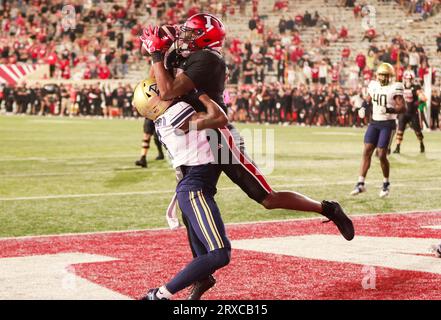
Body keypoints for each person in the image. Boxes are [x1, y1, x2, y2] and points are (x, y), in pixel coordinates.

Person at [141, 14, 354, 299]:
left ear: (205, 39)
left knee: (265, 197)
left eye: (191, 34)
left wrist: (157, 53)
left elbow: (166, 90)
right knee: (192, 193)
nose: (185, 38)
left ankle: (328, 209)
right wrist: (162, 48)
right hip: (198, 135)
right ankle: (201, 276)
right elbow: (160, 81)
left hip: (217, 135)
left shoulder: (208, 59)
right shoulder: (192, 56)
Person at [132, 78, 229, 300]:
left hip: (192, 187)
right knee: (219, 254)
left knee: (204, 258)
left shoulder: (164, 119)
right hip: (195, 188)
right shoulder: (178, 111)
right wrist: (201, 92)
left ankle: (192, 287)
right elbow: (219, 117)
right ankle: (158, 295)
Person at [351, 63, 406, 198]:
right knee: (367, 150)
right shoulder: (373, 85)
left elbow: (402, 108)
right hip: (374, 122)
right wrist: (363, 107)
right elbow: (368, 99)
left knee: (381, 154)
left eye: (385, 75)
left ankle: (386, 183)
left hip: (388, 124)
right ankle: (360, 183)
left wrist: (388, 109)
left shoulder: (395, 88)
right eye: (381, 74)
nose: (382, 77)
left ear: (390, 76)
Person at [393, 72, 426, 154]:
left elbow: (424, 98)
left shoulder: (415, 87)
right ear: (404, 79)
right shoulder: (401, 87)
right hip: (403, 113)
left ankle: (421, 143)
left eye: (409, 79)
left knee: (417, 131)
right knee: (400, 130)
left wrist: (418, 102)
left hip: (412, 113)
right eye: (406, 78)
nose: (408, 80)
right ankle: (397, 147)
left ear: (412, 79)